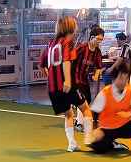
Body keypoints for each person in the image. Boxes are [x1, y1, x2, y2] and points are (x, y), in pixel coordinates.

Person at [39, 15, 94, 150]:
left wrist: (50, 77)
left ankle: (72, 144)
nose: (77, 27)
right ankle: (89, 138)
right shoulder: (68, 43)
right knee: (86, 109)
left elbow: (41, 65)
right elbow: (66, 61)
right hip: (68, 85)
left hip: (53, 89)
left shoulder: (50, 44)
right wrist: (68, 81)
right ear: (71, 27)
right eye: (75, 24)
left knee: (68, 114)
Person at [88, 62, 131, 154]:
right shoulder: (105, 92)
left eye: (126, 78)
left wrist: (129, 114)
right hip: (107, 127)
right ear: (114, 78)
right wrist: (96, 129)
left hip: (124, 125)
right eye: (121, 78)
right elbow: (95, 112)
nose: (123, 81)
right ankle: (112, 144)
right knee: (98, 148)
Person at [72, 25, 105, 130]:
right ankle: (79, 123)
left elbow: (99, 67)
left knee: (88, 99)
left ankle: (76, 114)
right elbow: (71, 60)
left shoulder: (97, 52)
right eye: (98, 39)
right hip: (74, 77)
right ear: (91, 37)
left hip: (84, 79)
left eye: (101, 40)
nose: (99, 42)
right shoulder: (82, 48)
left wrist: (96, 75)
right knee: (82, 99)